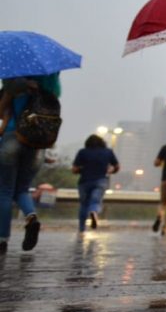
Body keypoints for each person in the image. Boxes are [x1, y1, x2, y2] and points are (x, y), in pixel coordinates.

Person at [0, 74, 60, 254]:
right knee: (22, 189)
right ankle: (31, 217)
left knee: (5, 191)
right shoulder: (48, 89)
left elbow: (1, 112)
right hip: (36, 145)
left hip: (12, 139)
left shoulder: (14, 83)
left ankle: (2, 239)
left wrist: (9, 93)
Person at [72, 134, 120, 232]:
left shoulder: (82, 152)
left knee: (84, 204)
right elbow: (117, 166)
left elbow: (74, 169)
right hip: (101, 180)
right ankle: (93, 212)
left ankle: (81, 229)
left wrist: (81, 170)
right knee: (95, 201)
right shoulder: (108, 152)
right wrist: (110, 171)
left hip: (84, 181)